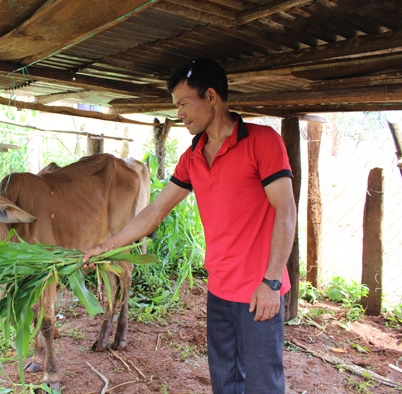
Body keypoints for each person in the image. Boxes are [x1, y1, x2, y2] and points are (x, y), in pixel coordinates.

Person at [83, 58, 297, 393]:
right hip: (219, 289)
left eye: (184, 104)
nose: (179, 114)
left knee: (263, 383)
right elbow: (153, 212)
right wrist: (105, 245)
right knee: (224, 380)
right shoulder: (192, 157)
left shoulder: (262, 141)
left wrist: (271, 282)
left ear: (211, 97)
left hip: (259, 292)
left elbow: (285, 211)